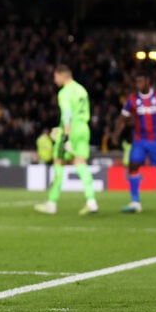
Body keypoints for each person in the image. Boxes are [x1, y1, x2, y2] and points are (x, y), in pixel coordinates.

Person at [114, 71, 156, 214]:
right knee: (133, 166)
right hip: (139, 140)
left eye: (141, 81)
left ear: (148, 81)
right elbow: (123, 118)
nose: (138, 84)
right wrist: (116, 133)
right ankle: (135, 203)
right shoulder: (132, 100)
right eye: (136, 82)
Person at [35, 65, 99, 216]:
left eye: (55, 76)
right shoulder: (81, 89)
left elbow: (68, 113)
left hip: (72, 130)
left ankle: (52, 203)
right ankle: (91, 201)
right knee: (81, 163)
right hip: (84, 128)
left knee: (58, 161)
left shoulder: (65, 92)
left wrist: (66, 136)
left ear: (61, 75)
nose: (54, 79)